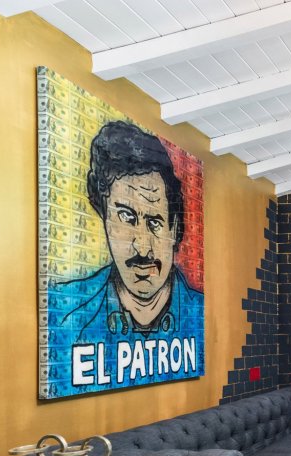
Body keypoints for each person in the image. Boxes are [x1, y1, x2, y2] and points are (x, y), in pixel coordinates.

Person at [46, 121, 203, 393]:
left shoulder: (199, 314)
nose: (142, 247)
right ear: (105, 218)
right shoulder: (62, 314)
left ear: (174, 227)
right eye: (126, 217)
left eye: (154, 222)